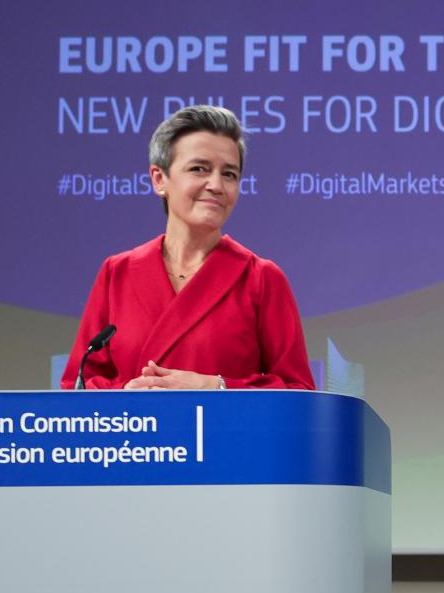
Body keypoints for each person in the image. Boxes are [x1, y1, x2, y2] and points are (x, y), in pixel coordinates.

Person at [61, 105, 315, 390]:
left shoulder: (261, 278)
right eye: (199, 169)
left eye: (229, 174)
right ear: (159, 179)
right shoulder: (117, 272)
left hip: (226, 435)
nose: (216, 185)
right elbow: (77, 386)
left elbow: (299, 392)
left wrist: (217, 387)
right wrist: (126, 396)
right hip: (136, 435)